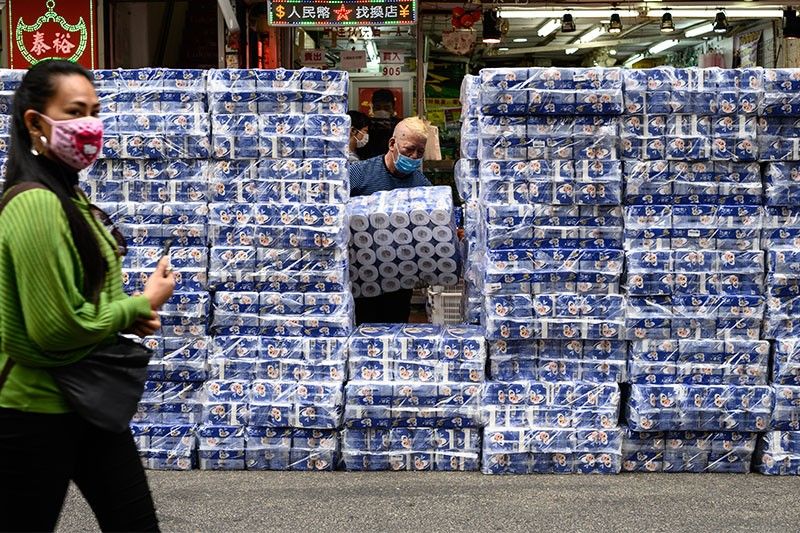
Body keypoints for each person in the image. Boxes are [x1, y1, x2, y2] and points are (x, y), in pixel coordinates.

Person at [0, 60, 175, 532]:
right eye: (75, 111)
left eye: (95, 111)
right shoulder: (35, 203)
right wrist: (140, 304)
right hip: (36, 411)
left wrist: (122, 316)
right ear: (35, 122)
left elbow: (77, 297)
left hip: (88, 403)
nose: (90, 126)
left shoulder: (68, 196)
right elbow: (55, 327)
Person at [348, 117, 432, 324]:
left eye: (420, 152)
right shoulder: (359, 174)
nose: (414, 157)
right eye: (409, 150)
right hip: (360, 279)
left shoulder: (423, 186)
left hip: (400, 281)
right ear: (392, 144)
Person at [356, 88, 400, 160]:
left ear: (393, 109)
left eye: (386, 108)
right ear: (373, 108)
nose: (382, 111)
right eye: (378, 108)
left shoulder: (399, 126)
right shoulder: (365, 124)